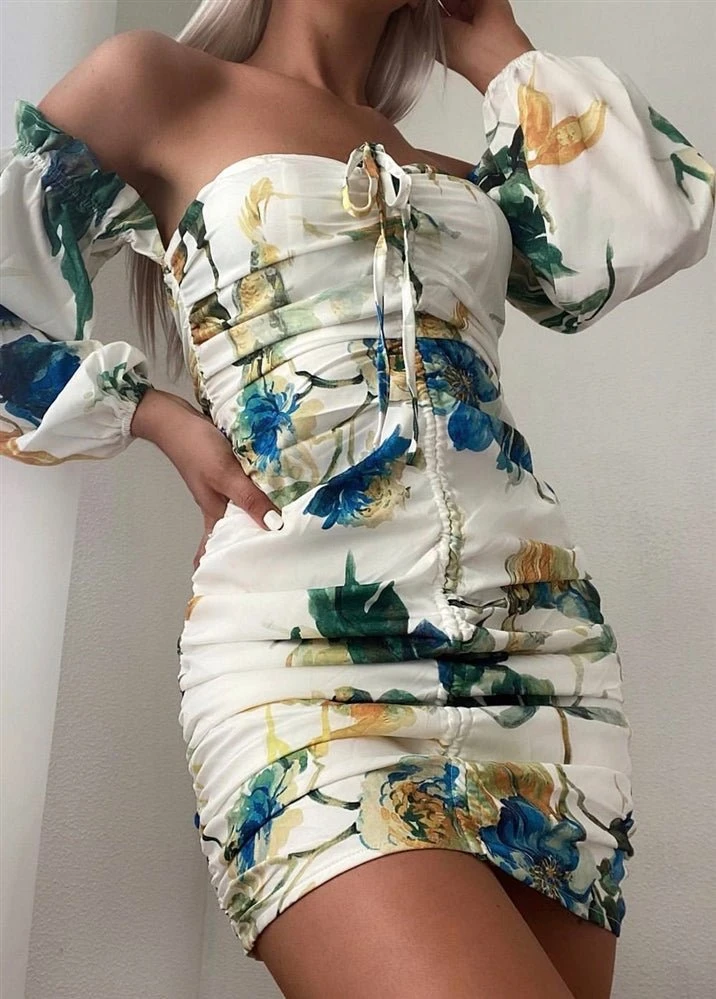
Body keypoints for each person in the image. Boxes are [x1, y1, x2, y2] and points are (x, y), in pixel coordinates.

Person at [1, 1, 713, 996]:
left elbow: (643, 227)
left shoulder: (463, 175)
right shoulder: (159, 85)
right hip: (303, 661)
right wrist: (159, 419)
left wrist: (491, 42)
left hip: (539, 662)